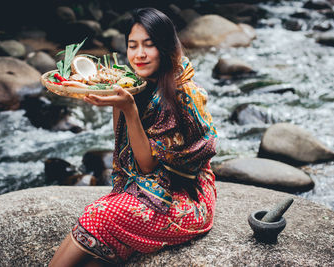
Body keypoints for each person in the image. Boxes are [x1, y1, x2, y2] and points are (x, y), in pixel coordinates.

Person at [49, 7, 217, 266]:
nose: (139, 54)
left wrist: (128, 108)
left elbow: (146, 165)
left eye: (149, 45)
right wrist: (114, 101)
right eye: (132, 45)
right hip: (150, 184)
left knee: (99, 215)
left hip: (186, 196)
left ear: (165, 47)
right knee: (93, 256)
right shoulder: (137, 83)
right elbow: (123, 147)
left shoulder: (185, 95)